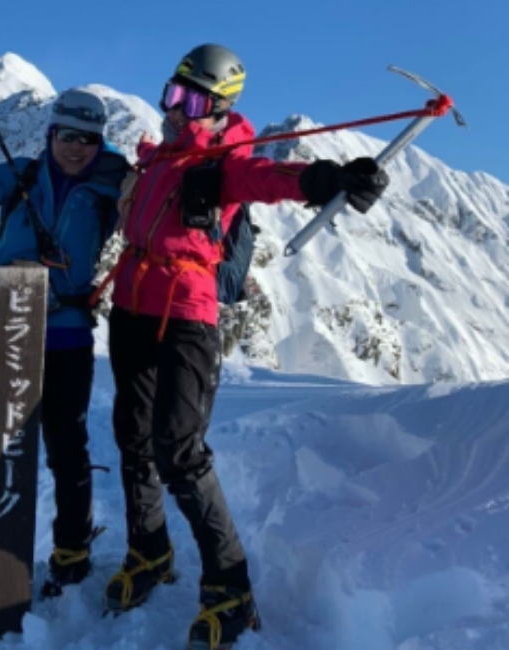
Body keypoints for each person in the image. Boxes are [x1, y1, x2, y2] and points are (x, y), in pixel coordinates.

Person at [99, 44, 389, 649]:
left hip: (184, 317)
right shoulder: (153, 160)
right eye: (174, 95)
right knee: (133, 434)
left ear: (220, 110)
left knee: (178, 449)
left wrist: (329, 179)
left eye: (194, 101)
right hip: (129, 307)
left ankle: (230, 585)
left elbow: (270, 178)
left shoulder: (223, 162)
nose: (178, 110)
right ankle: (149, 549)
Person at [0, 88, 130, 617]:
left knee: (66, 447)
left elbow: (153, 212)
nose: (77, 148)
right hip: (4, 325)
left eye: (88, 139)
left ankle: (71, 551)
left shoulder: (114, 184)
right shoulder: (22, 174)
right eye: (67, 135)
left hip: (68, 334)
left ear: (99, 141)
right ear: (50, 133)